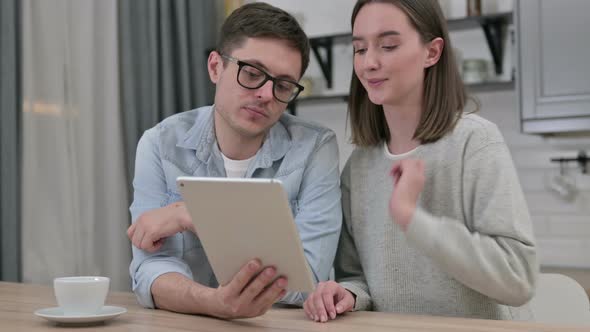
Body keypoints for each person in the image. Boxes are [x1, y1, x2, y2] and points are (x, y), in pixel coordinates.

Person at [304, 0, 538, 322]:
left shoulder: (476, 143)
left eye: (388, 45)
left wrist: (413, 218)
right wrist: (348, 294)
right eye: (359, 49)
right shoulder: (358, 167)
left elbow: (518, 279)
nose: (369, 62)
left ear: (432, 52)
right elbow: (357, 277)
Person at [127, 2, 342, 319]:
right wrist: (214, 304)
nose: (266, 94)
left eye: (283, 85)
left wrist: (195, 215)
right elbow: (149, 270)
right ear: (215, 67)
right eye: (252, 73)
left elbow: (306, 278)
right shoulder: (159, 144)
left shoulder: (315, 147)